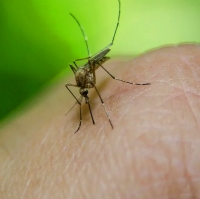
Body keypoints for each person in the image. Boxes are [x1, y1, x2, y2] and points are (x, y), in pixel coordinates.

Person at [0, 44, 200, 198]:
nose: (85, 97)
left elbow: (89, 85)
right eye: (83, 95)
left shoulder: (87, 81)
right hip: (84, 74)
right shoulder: (80, 86)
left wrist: (90, 69)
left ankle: (124, 83)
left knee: (96, 88)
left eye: (84, 95)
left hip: (89, 67)